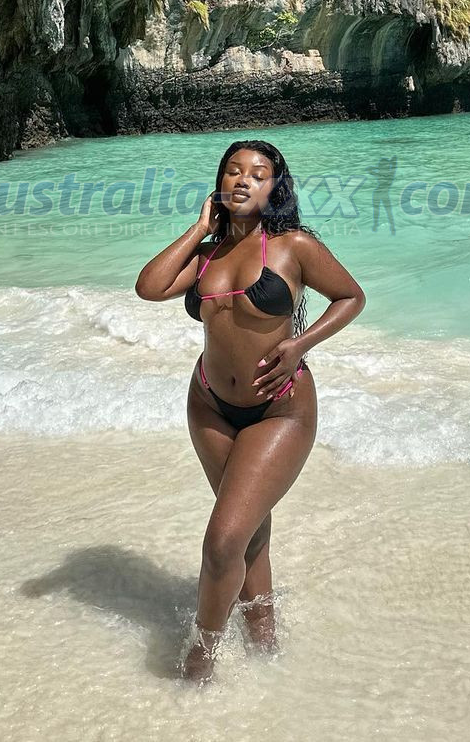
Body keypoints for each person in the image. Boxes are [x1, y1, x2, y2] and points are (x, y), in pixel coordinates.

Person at [135, 139, 366, 683]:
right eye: (233, 172)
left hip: (280, 410)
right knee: (247, 529)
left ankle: (201, 655)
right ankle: (264, 636)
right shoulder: (206, 256)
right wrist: (199, 228)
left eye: (258, 175)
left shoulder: (293, 246)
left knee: (223, 541)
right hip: (209, 405)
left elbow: (351, 297)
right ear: (219, 184)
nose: (243, 180)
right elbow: (149, 287)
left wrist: (300, 345)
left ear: (274, 189)